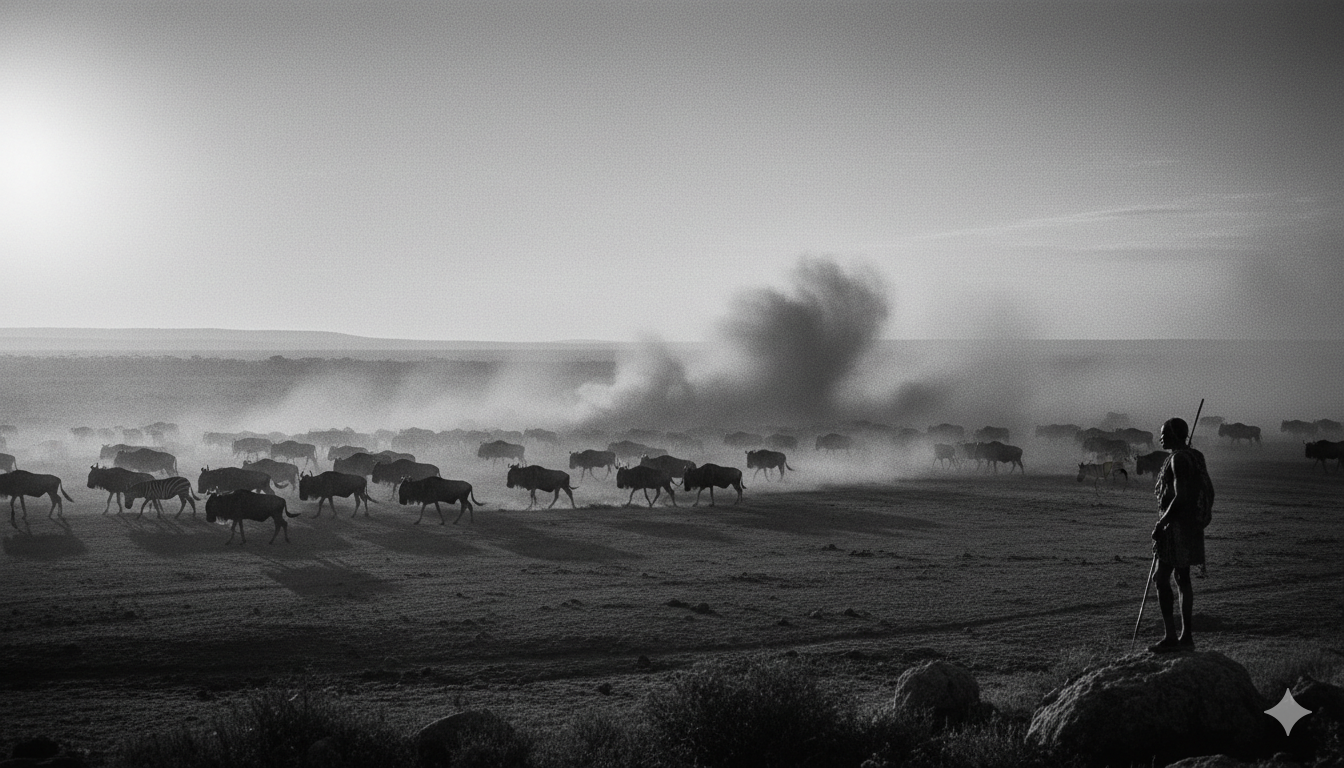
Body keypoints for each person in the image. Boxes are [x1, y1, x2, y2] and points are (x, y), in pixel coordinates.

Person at [1148, 416, 1210, 653]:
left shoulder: (1178, 459)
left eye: (1164, 433)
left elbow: (1180, 496)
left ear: (1175, 434)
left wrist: (1161, 524)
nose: (1161, 437)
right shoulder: (1194, 456)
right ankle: (1186, 637)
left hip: (1176, 528)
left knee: (1161, 578)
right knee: (1183, 578)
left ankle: (1172, 636)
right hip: (1191, 526)